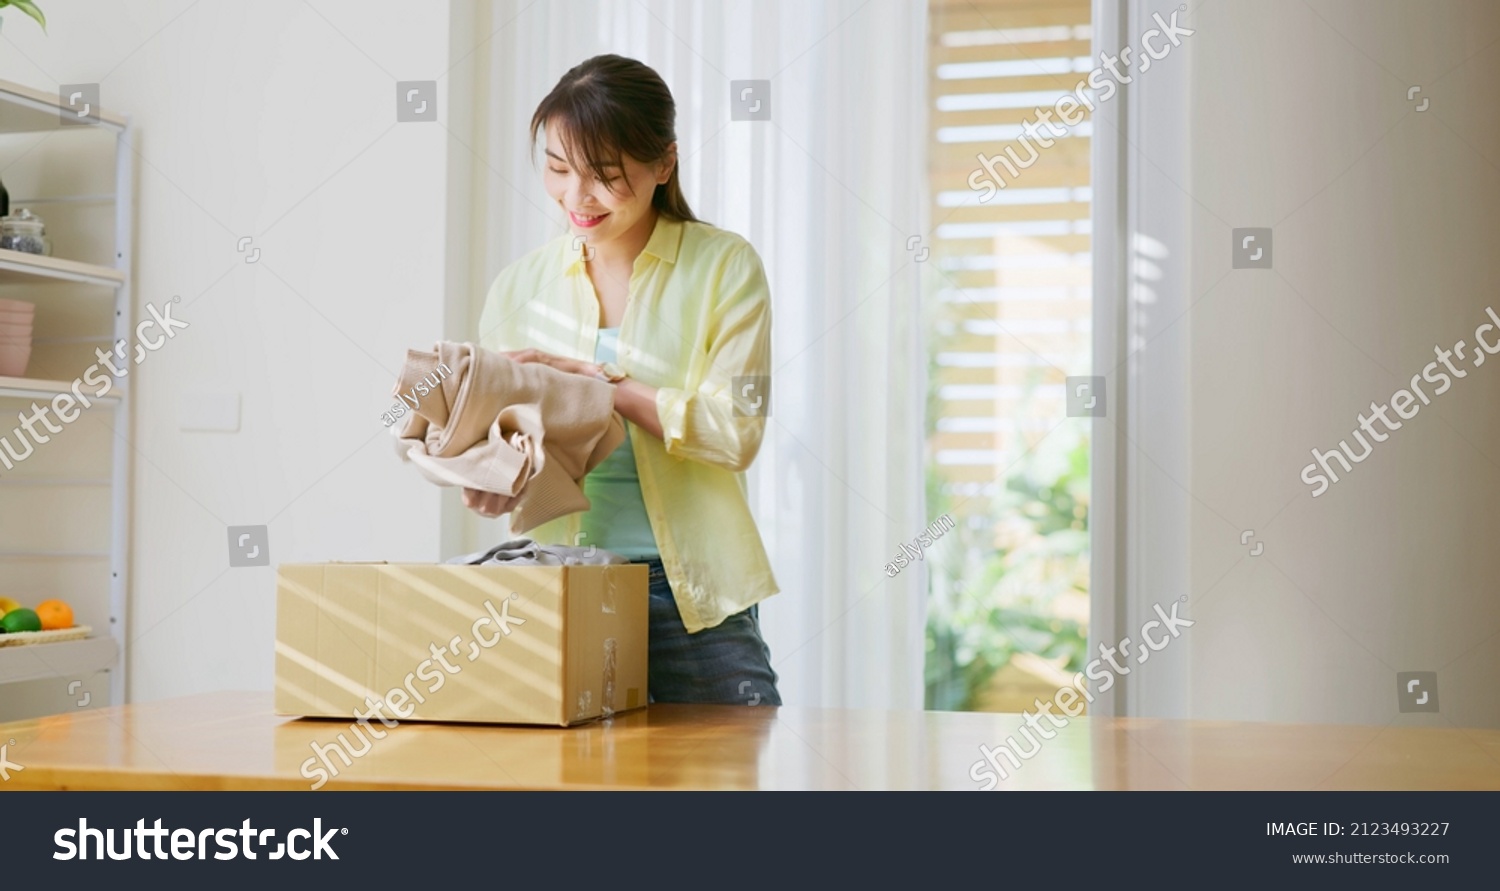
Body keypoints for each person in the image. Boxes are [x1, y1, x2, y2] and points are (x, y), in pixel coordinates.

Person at [469, 54, 781, 706]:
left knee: (733, 765)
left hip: (694, 597)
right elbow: (508, 448)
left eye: (605, 175)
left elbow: (736, 432)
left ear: (663, 164)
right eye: (558, 169)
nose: (577, 197)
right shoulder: (519, 287)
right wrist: (489, 477)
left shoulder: (725, 267)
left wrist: (602, 388)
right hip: (560, 585)